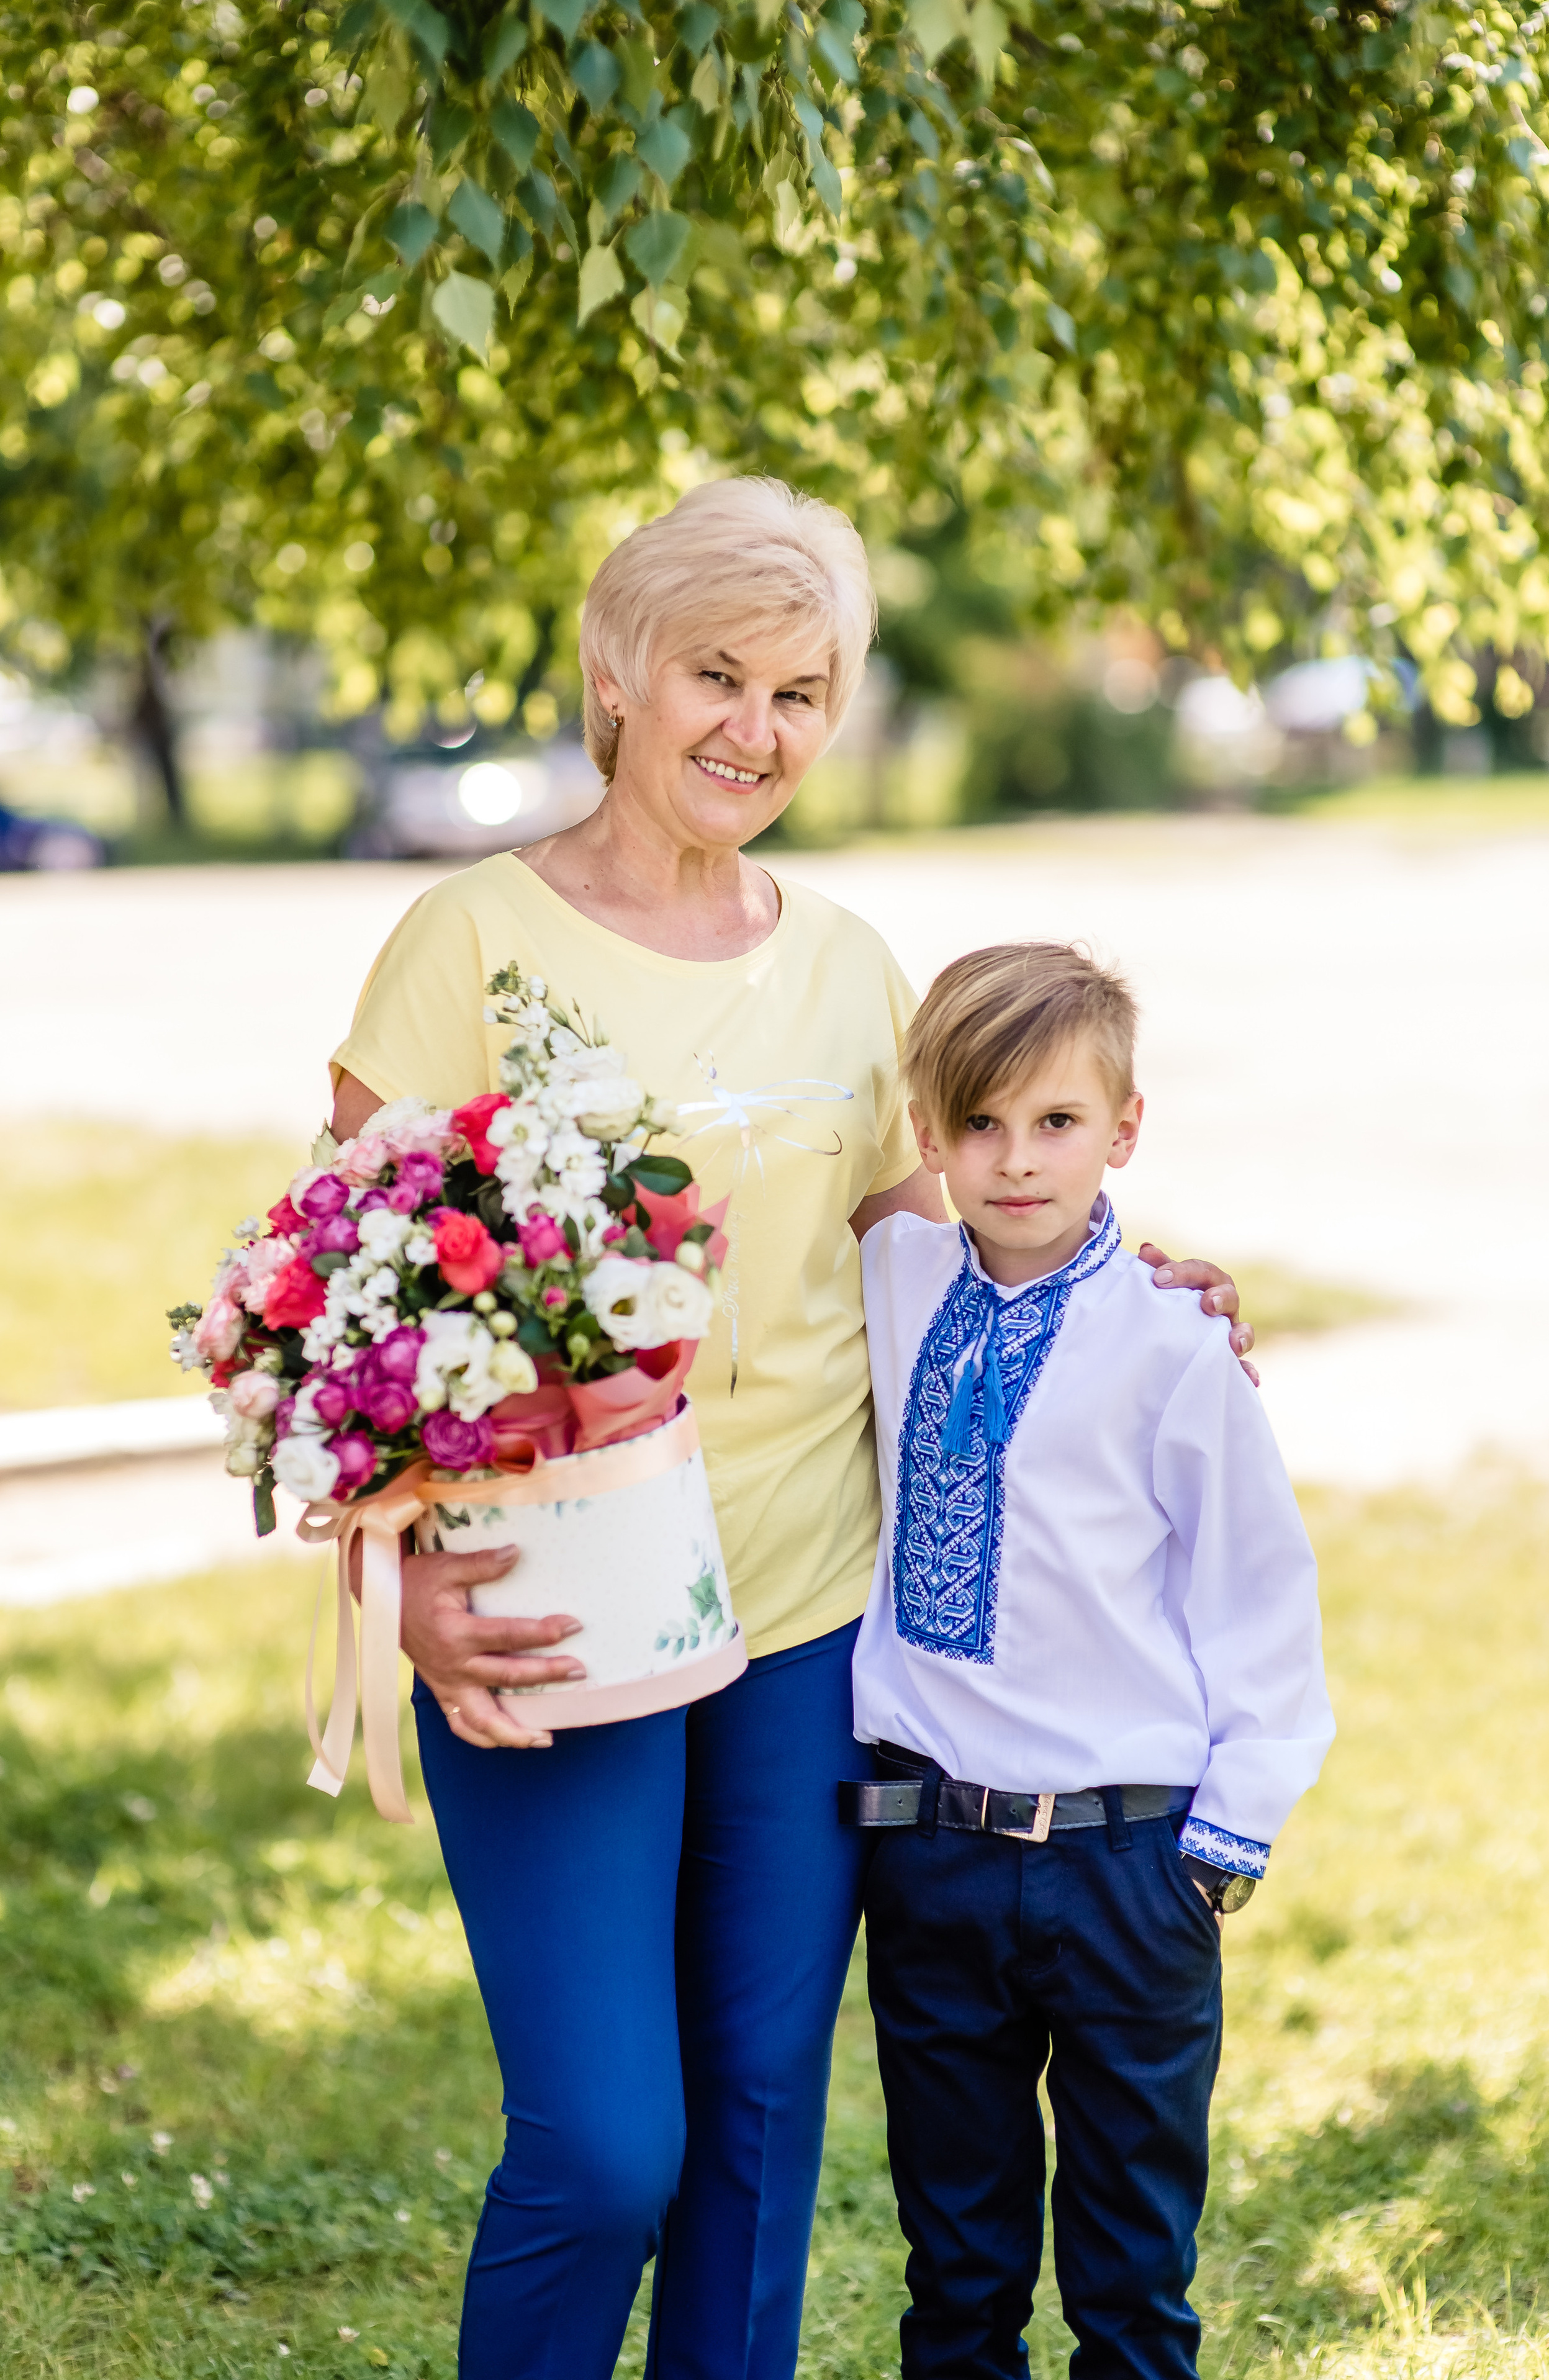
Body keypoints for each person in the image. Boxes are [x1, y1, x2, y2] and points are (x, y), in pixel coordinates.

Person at [327, 480, 1255, 2380]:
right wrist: (399, 1592)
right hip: (548, 1614)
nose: (754, 730)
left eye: (803, 692)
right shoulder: (465, 939)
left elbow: (935, 1233)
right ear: (616, 673)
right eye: (717, 677)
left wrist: (1141, 1273)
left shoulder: (847, 962)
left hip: (808, 1622)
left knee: (754, 2129)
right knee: (607, 2147)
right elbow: (342, 1315)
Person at [846, 941, 1334, 2380]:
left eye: (1055, 1123)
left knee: (1129, 2275)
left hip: (1128, 1864)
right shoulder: (889, 1273)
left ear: (1122, 1130)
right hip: (929, 1849)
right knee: (956, 2262)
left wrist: (1219, 1847)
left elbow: (1257, 1595)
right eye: (978, 1125)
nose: (1014, 1161)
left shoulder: (1172, 1339)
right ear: (926, 1136)